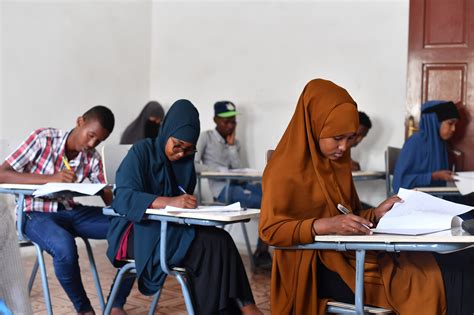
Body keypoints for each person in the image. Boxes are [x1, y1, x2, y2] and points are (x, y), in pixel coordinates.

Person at [259, 79, 474, 314]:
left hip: (349, 252)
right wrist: (326, 224)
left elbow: (347, 216)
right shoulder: (283, 168)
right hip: (314, 266)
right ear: (313, 126)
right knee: (446, 275)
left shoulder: (335, 164)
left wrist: (375, 212)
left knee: (460, 260)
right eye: (337, 138)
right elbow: (271, 230)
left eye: (350, 138)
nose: (343, 147)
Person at [106, 99, 262, 315]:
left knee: (221, 239)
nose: (180, 153)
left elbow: (181, 202)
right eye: (177, 145)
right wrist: (168, 201)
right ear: (166, 131)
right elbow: (123, 198)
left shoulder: (185, 162)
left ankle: (240, 307)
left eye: (187, 149)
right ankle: (241, 308)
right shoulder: (142, 151)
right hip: (137, 231)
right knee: (208, 248)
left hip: (170, 229)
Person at [0, 106, 133, 315]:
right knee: (64, 246)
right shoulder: (43, 138)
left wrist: (122, 198)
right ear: (80, 121)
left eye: (98, 141)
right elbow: (2, 174)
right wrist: (49, 179)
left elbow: (106, 193)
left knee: (132, 228)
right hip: (34, 213)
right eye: (90, 136)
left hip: (71, 211)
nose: (91, 144)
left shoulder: (93, 157)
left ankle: (116, 304)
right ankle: (84, 310)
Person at [194, 101, 272, 269]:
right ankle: (262, 253)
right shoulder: (205, 137)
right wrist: (217, 170)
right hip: (223, 190)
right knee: (266, 202)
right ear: (215, 119)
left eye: (233, 122)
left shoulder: (235, 143)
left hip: (240, 185)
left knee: (273, 197)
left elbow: (239, 169)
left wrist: (230, 147)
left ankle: (262, 250)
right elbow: (193, 164)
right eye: (226, 121)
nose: (230, 125)